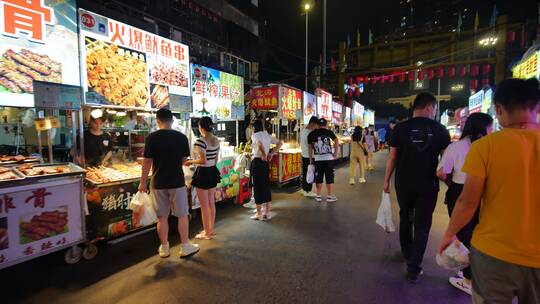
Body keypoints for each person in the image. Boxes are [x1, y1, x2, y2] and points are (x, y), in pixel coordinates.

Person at [438, 78, 540, 303]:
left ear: (499, 109)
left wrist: (449, 235)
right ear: (537, 107)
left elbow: (468, 201)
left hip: (494, 253)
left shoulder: (485, 147)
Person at [383, 92, 450, 282]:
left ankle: (407, 252)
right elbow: (445, 162)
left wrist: (386, 181)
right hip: (428, 185)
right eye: (435, 109)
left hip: (403, 183)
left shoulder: (400, 128)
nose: (435, 113)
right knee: (423, 225)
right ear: (429, 108)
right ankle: (414, 267)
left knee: (406, 216)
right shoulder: (441, 130)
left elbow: (392, 157)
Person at [436, 113, 493, 295]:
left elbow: (441, 172)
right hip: (485, 191)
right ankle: (473, 273)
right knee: (476, 230)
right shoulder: (490, 146)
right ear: (484, 128)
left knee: (463, 232)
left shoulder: (456, 147)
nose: (492, 130)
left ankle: (469, 278)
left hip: (459, 190)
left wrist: (451, 181)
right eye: (490, 127)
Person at [139, 108, 199, 258]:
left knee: (162, 217)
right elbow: (184, 160)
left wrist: (142, 183)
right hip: (176, 181)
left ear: (157, 121)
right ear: (172, 120)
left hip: (158, 182)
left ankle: (164, 248)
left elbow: (147, 162)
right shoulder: (181, 137)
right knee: (182, 215)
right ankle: (185, 246)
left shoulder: (151, 138)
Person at [186, 117, 221, 240]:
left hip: (203, 172)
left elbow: (202, 160)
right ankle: (211, 230)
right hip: (212, 171)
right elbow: (215, 159)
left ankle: (207, 232)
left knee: (204, 205)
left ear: (201, 128)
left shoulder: (200, 141)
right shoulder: (216, 140)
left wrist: (191, 162)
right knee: (211, 203)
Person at [250, 119, 282, 221]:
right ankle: (267, 213)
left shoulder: (255, 135)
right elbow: (280, 142)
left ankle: (259, 213)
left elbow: (259, 144)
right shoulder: (266, 135)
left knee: (257, 187)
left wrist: (264, 154)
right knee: (266, 186)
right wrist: (271, 154)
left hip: (257, 162)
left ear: (254, 127)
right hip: (265, 163)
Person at [308, 118, 340, 202]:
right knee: (329, 177)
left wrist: (311, 159)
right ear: (326, 125)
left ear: (317, 125)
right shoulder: (329, 132)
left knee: (319, 177)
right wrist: (335, 153)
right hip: (329, 159)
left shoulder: (312, 134)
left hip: (318, 159)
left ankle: (318, 195)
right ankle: (329, 196)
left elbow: (310, 148)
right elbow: (336, 140)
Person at [300, 116, 319, 197]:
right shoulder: (309, 133)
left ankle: (304, 189)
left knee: (305, 173)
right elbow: (310, 147)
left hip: (304, 155)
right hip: (309, 156)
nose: (316, 127)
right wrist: (311, 159)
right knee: (310, 173)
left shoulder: (303, 130)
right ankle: (308, 191)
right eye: (316, 125)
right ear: (312, 123)